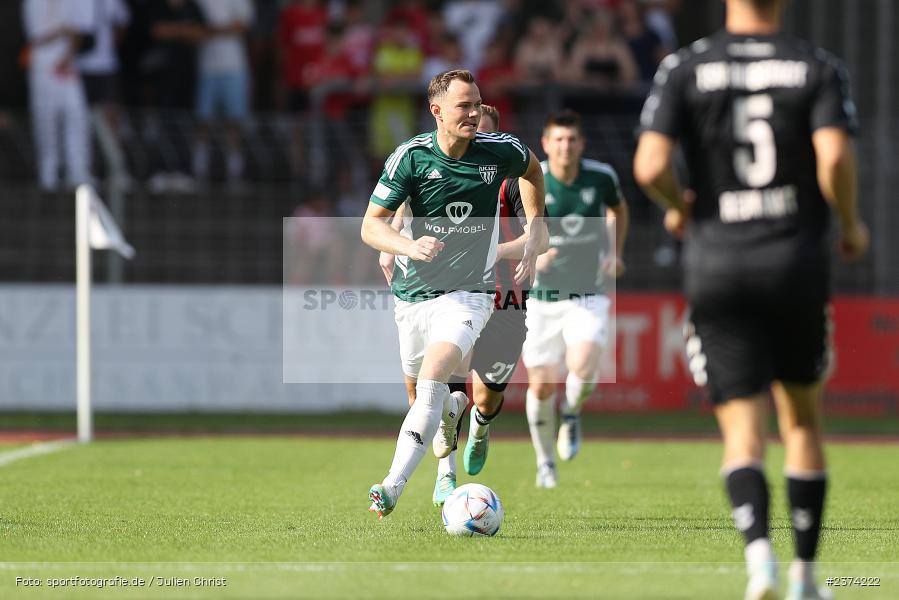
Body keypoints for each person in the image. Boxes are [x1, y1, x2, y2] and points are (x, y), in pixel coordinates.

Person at [633, 1, 868, 598]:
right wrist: (849, 224)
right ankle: (806, 576)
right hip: (794, 260)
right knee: (802, 420)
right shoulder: (816, 66)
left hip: (718, 263)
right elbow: (835, 156)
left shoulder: (684, 67)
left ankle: (759, 558)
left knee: (742, 428)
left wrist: (681, 209)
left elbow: (650, 166)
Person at [361, 70, 547, 519]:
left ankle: (391, 487)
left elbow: (532, 169)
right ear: (437, 111)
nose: (475, 113)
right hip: (412, 295)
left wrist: (537, 222)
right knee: (421, 395)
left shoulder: (499, 150)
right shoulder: (410, 157)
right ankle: (451, 409)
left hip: (470, 294)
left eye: (477, 103)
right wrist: (406, 246)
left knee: (432, 380)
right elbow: (370, 225)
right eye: (464, 105)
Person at [524, 109, 629, 488]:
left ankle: (571, 412)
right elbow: (512, 228)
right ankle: (544, 463)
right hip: (541, 298)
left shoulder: (601, 177)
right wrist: (533, 254)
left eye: (571, 140)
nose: (565, 146)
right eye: (558, 140)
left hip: (588, 292)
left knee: (583, 364)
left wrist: (614, 251)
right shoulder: (532, 179)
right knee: (541, 386)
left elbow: (618, 209)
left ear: (581, 144)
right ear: (546, 143)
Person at [22, 0, 95, 191]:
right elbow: (35, 36)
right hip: (43, 65)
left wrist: (69, 55)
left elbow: (78, 29)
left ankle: (78, 172)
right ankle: (48, 176)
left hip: (67, 64)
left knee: (76, 116)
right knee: (46, 121)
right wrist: (63, 30)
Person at [192, 0, 254, 182]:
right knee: (203, 118)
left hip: (234, 67)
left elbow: (242, 25)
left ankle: (234, 164)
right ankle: (200, 163)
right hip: (206, 67)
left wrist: (211, 30)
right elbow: (194, 29)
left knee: (234, 119)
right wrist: (222, 29)